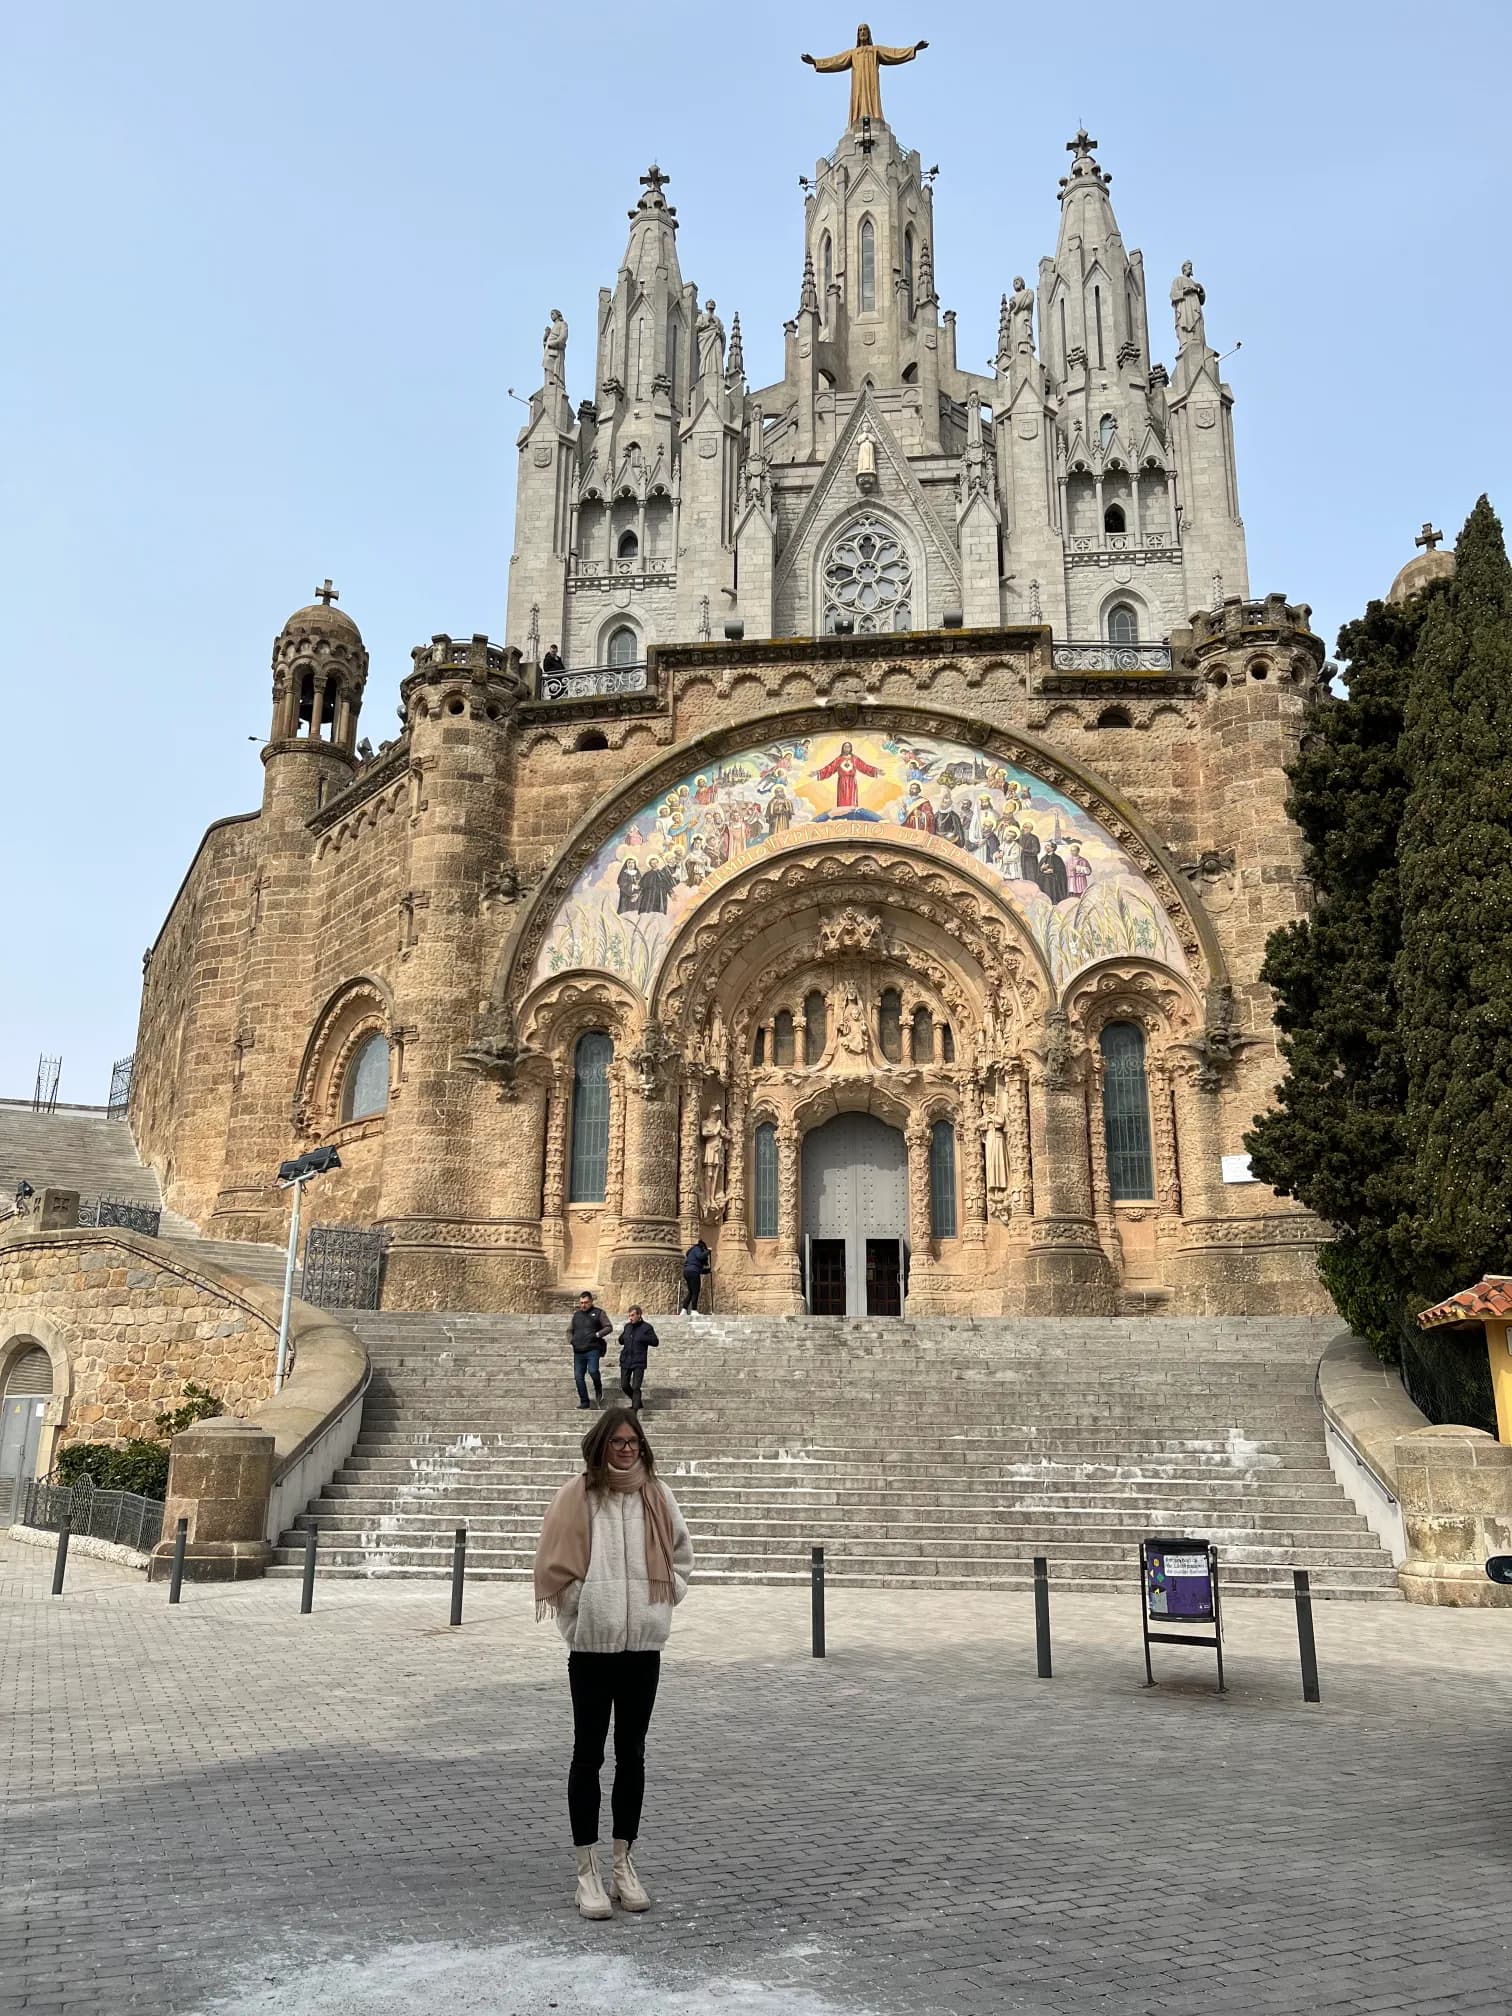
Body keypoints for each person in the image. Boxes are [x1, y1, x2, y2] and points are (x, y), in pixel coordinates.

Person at [534, 1408, 694, 1920]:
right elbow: (553, 1564)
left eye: (633, 1441)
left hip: (643, 1648)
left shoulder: (657, 1495)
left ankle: (625, 1862)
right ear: (601, 1445)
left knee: (633, 1755)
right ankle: (588, 1870)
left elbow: (681, 1556)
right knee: (588, 1757)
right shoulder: (578, 1496)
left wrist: (663, 1604)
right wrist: (580, 1614)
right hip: (592, 1649)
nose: (627, 1449)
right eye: (618, 1441)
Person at [569, 1291, 612, 1409]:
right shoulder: (576, 1315)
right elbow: (569, 1330)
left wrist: (597, 1334)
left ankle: (598, 1387)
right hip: (578, 1350)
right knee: (578, 1376)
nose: (583, 1305)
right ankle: (584, 1401)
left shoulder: (599, 1313)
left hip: (593, 1348)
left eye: (586, 1302)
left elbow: (608, 1327)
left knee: (593, 1370)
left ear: (591, 1301)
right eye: (581, 1303)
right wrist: (572, 1341)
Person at [617, 1305, 658, 1412]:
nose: (630, 1318)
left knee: (636, 1387)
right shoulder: (627, 1327)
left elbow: (655, 1342)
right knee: (624, 1385)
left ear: (639, 1315)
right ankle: (637, 1402)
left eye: (633, 1315)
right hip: (626, 1359)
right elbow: (621, 1340)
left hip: (639, 1361)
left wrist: (642, 1338)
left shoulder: (647, 1328)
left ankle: (634, 1410)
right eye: (629, 1315)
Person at [680, 1238, 711, 1313]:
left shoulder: (691, 1253)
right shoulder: (697, 1248)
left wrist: (708, 1271)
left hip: (687, 1271)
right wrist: (708, 1251)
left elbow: (697, 1267)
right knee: (695, 1291)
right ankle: (694, 1310)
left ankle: (684, 1310)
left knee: (691, 1291)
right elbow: (700, 1256)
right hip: (693, 1272)